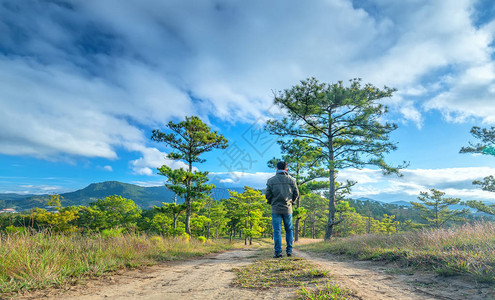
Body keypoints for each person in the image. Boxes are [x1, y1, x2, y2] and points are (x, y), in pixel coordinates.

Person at [265, 161, 299, 258]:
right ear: (286, 169)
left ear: (276, 169)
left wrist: (271, 201)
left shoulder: (271, 181)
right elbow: (296, 194)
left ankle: (278, 253)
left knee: (277, 230)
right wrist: (291, 202)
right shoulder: (291, 180)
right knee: (289, 230)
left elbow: (268, 194)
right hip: (287, 209)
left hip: (275, 209)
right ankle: (289, 251)